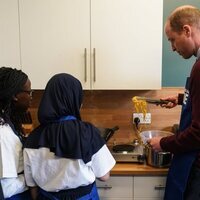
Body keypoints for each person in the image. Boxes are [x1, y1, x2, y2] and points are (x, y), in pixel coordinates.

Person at [23, 73, 116, 200]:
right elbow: (104, 176)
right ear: (75, 100)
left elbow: (32, 187)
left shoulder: (33, 138)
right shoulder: (87, 132)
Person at [149, 5, 200, 200]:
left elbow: (197, 133)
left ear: (187, 30)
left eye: (172, 39)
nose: (172, 47)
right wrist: (181, 99)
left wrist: (163, 143)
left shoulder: (199, 69)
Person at [0, 67, 32, 199]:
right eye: (29, 93)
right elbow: (5, 188)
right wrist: (34, 176)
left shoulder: (7, 122)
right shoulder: (3, 133)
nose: (31, 97)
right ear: (14, 96)